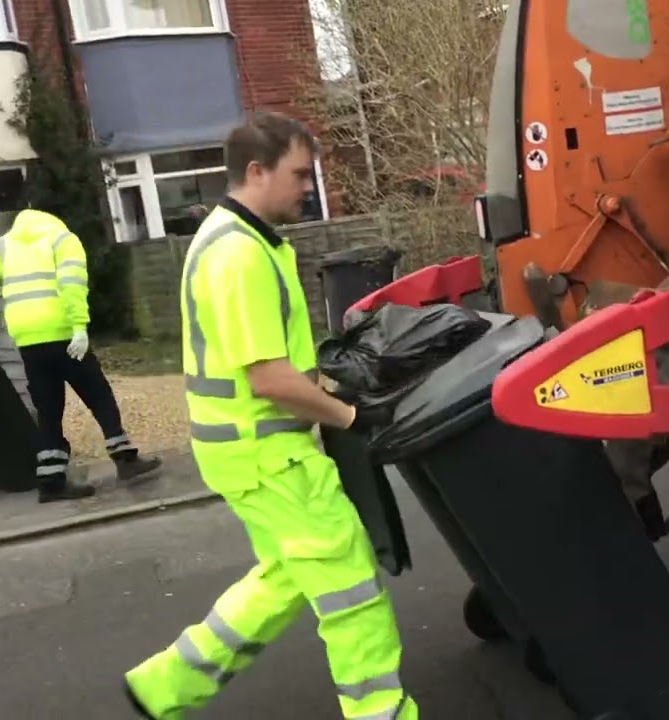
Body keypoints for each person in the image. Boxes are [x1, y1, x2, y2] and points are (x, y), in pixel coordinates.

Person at [123, 111, 418, 720]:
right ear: (256, 172)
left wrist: (328, 384)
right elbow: (268, 378)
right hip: (267, 454)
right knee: (348, 579)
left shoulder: (243, 241)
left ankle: (166, 685)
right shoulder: (238, 255)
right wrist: (347, 415)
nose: (308, 188)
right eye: (299, 174)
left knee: (289, 573)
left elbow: (275, 363)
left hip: (246, 450)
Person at [0, 204, 163, 503]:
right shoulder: (63, 240)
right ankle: (125, 460)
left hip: (28, 340)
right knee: (99, 396)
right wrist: (79, 326)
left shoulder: (3, 246)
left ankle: (52, 481)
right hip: (64, 335)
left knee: (49, 411)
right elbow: (72, 285)